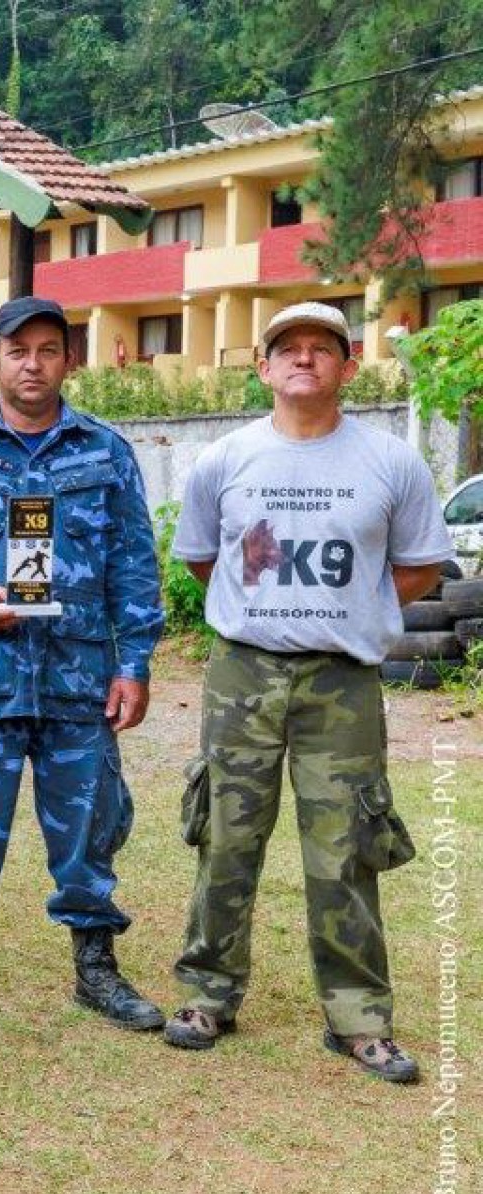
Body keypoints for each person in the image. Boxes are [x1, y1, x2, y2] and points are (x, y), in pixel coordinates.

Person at [166, 301, 451, 1084]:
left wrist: (350, 609)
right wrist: (265, 615)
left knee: (345, 848)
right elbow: (203, 562)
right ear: (262, 367)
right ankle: (207, 994)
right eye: (285, 347)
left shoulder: (392, 463)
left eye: (321, 348)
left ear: (348, 368)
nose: (302, 358)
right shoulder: (224, 458)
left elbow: (420, 565)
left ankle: (359, 1016)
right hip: (244, 672)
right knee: (226, 833)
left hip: (342, 680)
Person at [0, 295, 166, 1031]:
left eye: (48, 350)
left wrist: (135, 661)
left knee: (88, 826)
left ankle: (96, 967)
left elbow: (135, 564)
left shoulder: (105, 452)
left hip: (77, 680)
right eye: (17, 351)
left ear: (68, 361)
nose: (32, 364)